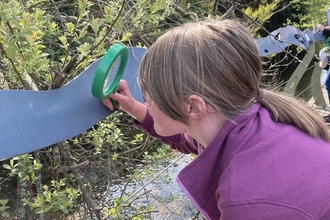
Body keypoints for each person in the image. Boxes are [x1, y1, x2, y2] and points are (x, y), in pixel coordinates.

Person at [102, 19, 330, 219]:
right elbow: (189, 138)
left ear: (193, 106)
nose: (146, 100)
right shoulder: (256, 119)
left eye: (149, 94)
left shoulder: (247, 201)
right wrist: (132, 106)